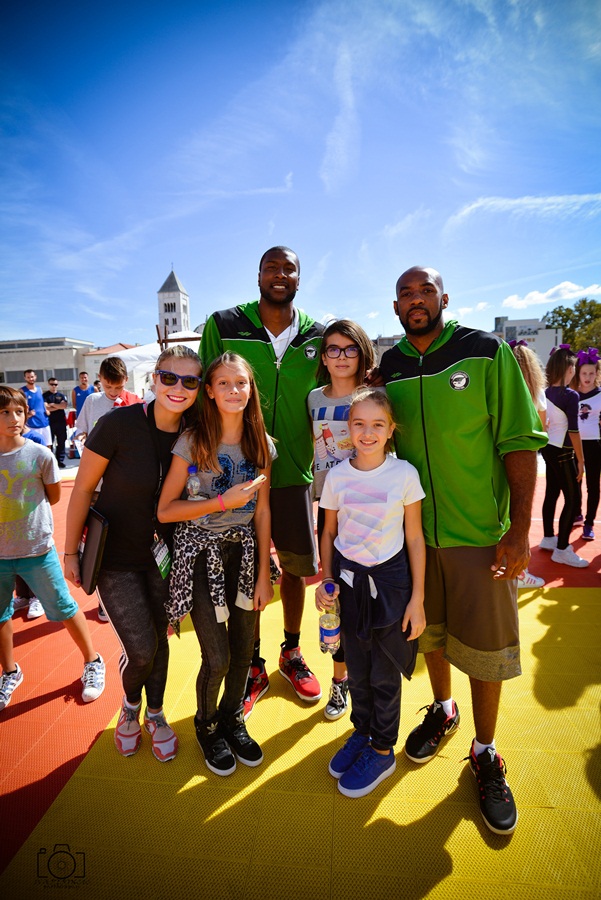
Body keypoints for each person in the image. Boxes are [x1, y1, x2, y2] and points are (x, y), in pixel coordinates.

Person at [379, 265, 546, 836]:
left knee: (486, 649)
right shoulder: (391, 366)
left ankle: (485, 750)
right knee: (430, 635)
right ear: (395, 307)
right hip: (414, 538)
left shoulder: (485, 352)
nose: (416, 299)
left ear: (444, 298)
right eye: (406, 293)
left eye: (426, 290)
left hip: (480, 536)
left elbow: (519, 440)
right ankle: (443, 710)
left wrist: (518, 529)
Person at [200, 246, 324, 717]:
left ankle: (291, 650)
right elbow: (203, 391)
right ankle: (251, 663)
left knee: (295, 569)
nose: (280, 274)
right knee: (240, 570)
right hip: (234, 475)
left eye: (289, 268)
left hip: (292, 473)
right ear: (258, 275)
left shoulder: (317, 334)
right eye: (272, 267)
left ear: (299, 278)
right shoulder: (224, 323)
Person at [64, 346, 202, 762]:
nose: (178, 387)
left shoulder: (197, 430)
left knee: (160, 641)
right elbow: (82, 489)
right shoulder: (118, 424)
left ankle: (154, 714)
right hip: (114, 558)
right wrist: (70, 552)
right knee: (141, 649)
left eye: (190, 381)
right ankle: (130, 706)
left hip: (167, 556)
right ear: (154, 378)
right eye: (169, 377)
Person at [158, 352, 277, 776]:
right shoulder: (192, 442)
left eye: (241, 382)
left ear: (251, 389)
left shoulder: (262, 443)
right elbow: (166, 510)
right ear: (209, 391)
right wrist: (222, 502)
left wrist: (263, 574)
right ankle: (207, 725)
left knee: (245, 652)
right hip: (200, 555)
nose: (233, 390)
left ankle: (232, 718)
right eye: (223, 383)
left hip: (244, 555)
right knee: (218, 658)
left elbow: (262, 512)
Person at [315, 389, 426, 797]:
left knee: (384, 673)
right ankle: (362, 731)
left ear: (391, 430)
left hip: (391, 585)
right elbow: (328, 532)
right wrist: (326, 580)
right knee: (357, 669)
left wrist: (417, 599)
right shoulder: (337, 477)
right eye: (359, 424)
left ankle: (382, 749)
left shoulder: (404, 475)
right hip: (349, 584)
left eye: (378, 424)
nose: (367, 432)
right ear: (348, 428)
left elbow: (414, 538)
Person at [0, 386, 105, 712]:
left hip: (37, 551)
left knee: (63, 607)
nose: (14, 418)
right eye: (5, 412)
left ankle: (92, 660)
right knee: (1, 615)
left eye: (19, 411)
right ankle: (10, 671)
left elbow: (54, 496)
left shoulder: (39, 455)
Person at [307, 319, 376, 720]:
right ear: (323, 357)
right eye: (333, 349)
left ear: (362, 353)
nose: (342, 357)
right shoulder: (313, 399)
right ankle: (339, 680)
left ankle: (370, 683)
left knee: (369, 602)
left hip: (370, 509)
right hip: (330, 507)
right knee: (334, 598)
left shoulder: (376, 395)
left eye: (350, 349)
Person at [538, 345, 588, 567]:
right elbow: (574, 431)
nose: (574, 371)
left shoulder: (544, 392)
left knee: (552, 493)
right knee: (573, 499)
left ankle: (549, 537)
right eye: (574, 368)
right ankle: (561, 549)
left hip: (548, 448)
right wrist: (581, 460)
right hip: (563, 451)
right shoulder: (570, 395)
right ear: (568, 368)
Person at [508, 340, 547, 588]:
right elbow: (542, 428)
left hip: (500, 458)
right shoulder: (536, 393)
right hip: (526, 459)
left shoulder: (503, 390)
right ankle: (520, 572)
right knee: (521, 516)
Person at [74, 357, 142, 441]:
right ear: (99, 378)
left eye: (118, 387)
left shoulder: (134, 402)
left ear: (126, 379)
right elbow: (82, 430)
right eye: (108, 386)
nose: (113, 392)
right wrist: (81, 436)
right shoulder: (92, 400)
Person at [572, 347, 601, 541]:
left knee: (593, 485)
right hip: (574, 445)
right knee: (575, 483)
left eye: (591, 373)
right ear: (578, 373)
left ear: (597, 373)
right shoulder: (572, 394)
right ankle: (577, 514)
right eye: (584, 373)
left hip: (594, 445)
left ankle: (589, 523)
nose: (587, 377)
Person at [21, 369, 51, 448]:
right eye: (28, 377)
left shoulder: (39, 389)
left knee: (48, 446)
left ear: (35, 377)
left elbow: (41, 402)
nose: (31, 379)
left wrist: (46, 409)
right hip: (32, 424)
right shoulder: (22, 391)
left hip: (44, 422)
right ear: (25, 378)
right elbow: (20, 407)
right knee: (34, 447)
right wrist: (28, 414)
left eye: (32, 377)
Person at [43, 378, 69, 469]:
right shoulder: (45, 395)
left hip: (61, 422)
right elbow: (46, 407)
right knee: (50, 443)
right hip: (49, 422)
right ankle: (51, 461)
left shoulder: (61, 395)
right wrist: (58, 406)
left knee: (61, 442)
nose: (54, 386)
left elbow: (64, 406)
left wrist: (52, 404)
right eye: (52, 384)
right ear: (48, 384)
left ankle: (60, 461)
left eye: (55, 384)